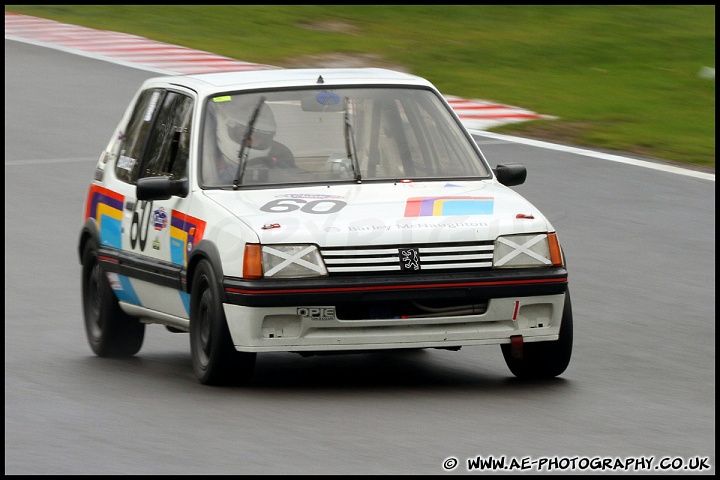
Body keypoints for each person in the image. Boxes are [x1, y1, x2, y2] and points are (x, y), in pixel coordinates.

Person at [214, 99, 295, 184]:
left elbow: (298, 179)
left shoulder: (279, 162)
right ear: (223, 130)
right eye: (245, 135)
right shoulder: (208, 169)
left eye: (259, 136)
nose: (254, 141)